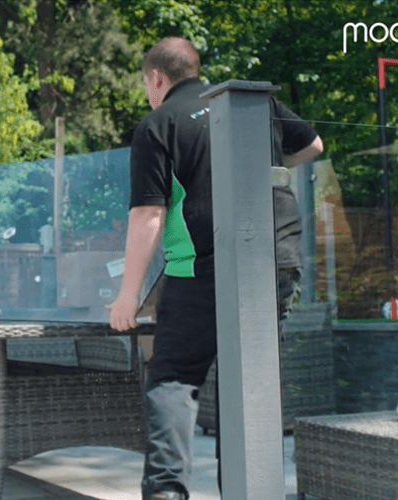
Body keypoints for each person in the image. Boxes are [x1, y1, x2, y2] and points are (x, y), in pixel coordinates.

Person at [109, 37, 323, 500]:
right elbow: (313, 145)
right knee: (248, 379)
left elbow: (148, 214)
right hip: (274, 263)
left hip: (201, 269)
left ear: (156, 78)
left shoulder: (158, 123)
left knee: (173, 377)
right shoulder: (251, 104)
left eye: (146, 83)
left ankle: (167, 493)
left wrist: (128, 295)